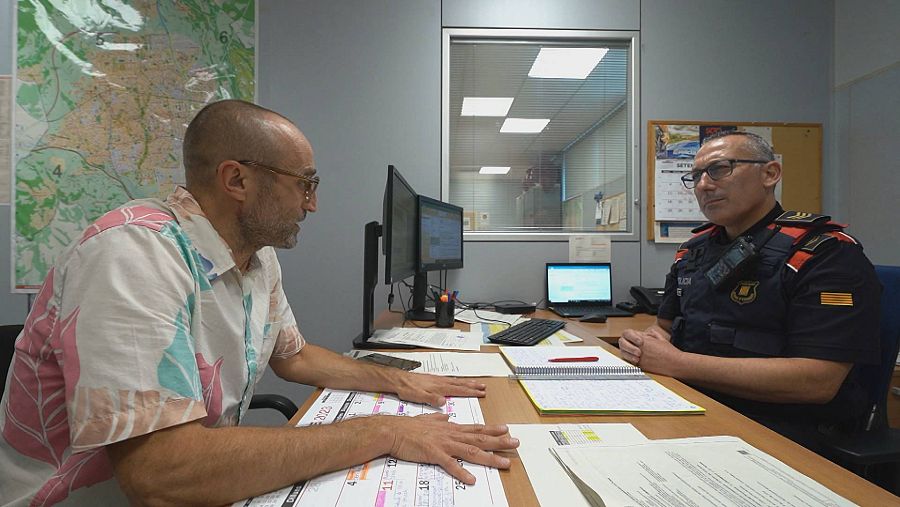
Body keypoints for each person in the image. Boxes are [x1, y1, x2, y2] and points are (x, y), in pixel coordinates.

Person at [0, 99, 519, 506]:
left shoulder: (255, 258)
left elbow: (292, 356)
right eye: (304, 185)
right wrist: (382, 430)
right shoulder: (131, 255)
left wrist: (400, 381)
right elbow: (158, 474)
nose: (313, 204)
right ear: (237, 180)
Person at [619, 130, 881, 448]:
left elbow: (818, 381)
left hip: (784, 428)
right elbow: (663, 328)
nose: (703, 184)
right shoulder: (692, 252)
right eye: (696, 175)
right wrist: (645, 344)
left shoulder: (823, 253)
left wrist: (676, 363)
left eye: (719, 169)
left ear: (770, 174)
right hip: (697, 405)